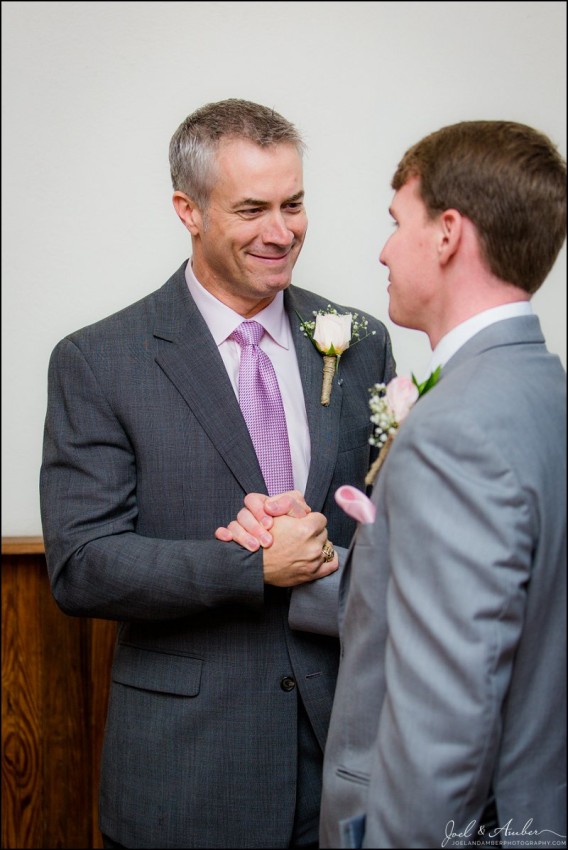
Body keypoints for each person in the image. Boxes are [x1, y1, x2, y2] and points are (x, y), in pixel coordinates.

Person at [39, 98, 396, 849]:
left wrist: (335, 554)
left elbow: (385, 528)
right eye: (253, 208)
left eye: (294, 204)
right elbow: (82, 565)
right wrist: (250, 564)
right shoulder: (100, 360)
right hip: (189, 769)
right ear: (188, 210)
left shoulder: (361, 341)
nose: (282, 231)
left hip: (345, 756)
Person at [221, 120, 567, 848]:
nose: (382, 248)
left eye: (395, 222)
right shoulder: (543, 390)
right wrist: (316, 557)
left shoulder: (455, 428)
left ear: (447, 234)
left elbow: (446, 715)